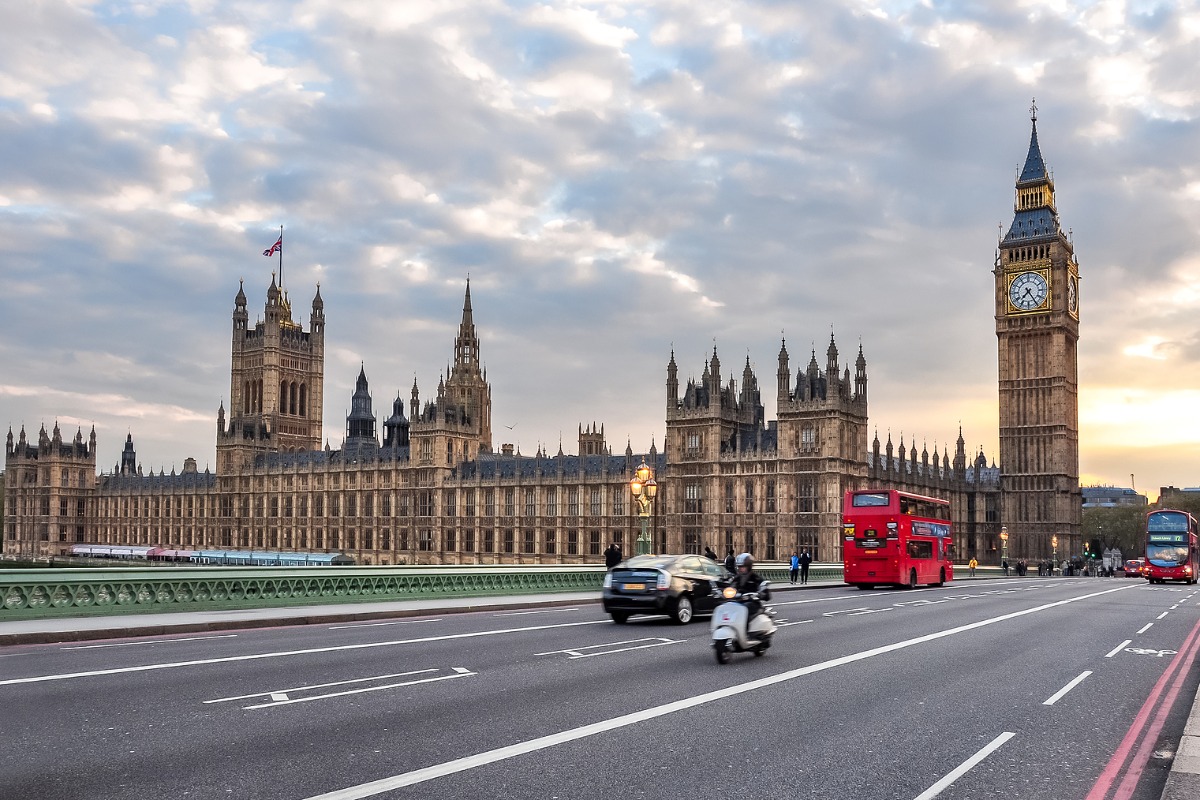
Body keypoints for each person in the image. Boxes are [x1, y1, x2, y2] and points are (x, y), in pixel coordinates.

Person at [730, 552, 770, 618]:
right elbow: (731, 586)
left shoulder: (755, 578)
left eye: (742, 567)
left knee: (745, 608)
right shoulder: (737, 578)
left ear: (749, 566)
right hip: (738, 602)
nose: (740, 569)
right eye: (739, 567)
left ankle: (744, 627)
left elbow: (765, 593)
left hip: (752, 603)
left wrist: (761, 594)